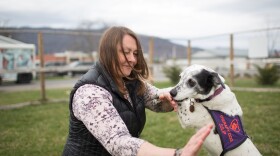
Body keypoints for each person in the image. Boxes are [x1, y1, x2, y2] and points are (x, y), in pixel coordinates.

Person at [62, 26, 213, 156]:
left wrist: (172, 98)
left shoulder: (129, 80)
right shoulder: (90, 92)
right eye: (126, 52)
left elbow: (156, 100)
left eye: (135, 53)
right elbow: (119, 143)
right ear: (107, 52)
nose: (133, 59)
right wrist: (177, 154)